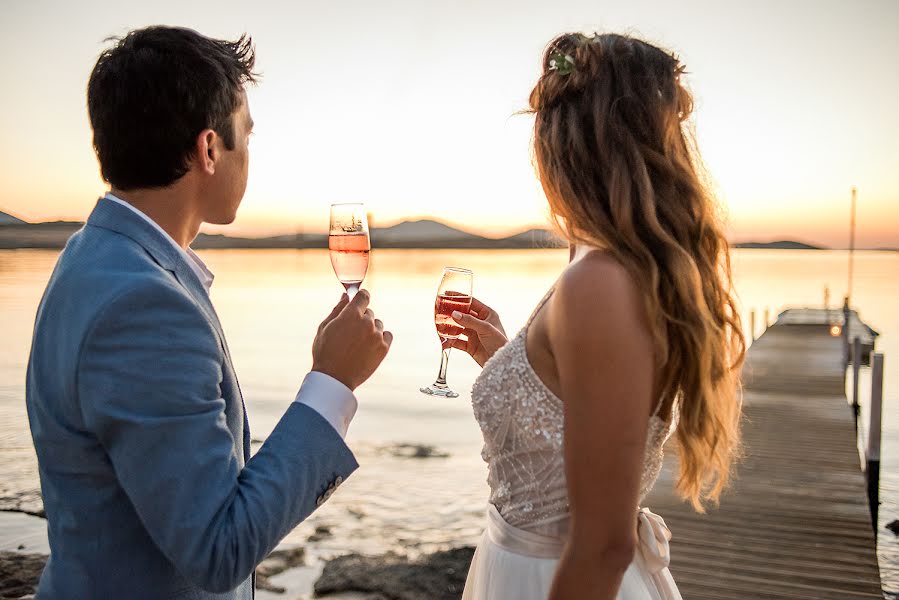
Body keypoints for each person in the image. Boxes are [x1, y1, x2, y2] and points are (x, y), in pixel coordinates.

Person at [25, 26, 392, 599]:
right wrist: (331, 382)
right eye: (245, 134)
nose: (249, 152)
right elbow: (217, 548)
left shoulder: (95, 254)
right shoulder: (144, 305)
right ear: (209, 149)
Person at [452, 32, 745, 600]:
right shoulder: (603, 268)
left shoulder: (599, 282)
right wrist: (508, 359)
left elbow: (604, 545)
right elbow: (577, 417)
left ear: (569, 147)